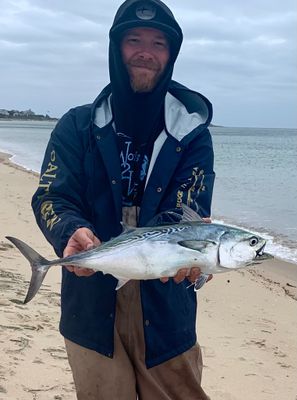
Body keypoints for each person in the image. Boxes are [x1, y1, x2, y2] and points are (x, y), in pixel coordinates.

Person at [32, 0, 215, 398]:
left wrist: (190, 253)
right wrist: (70, 230)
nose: (145, 52)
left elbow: (190, 207)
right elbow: (52, 194)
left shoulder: (193, 133)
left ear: (171, 54)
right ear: (116, 48)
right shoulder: (76, 126)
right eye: (134, 40)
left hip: (167, 308)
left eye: (158, 43)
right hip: (91, 304)